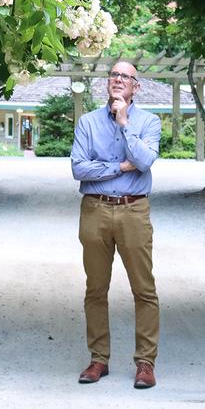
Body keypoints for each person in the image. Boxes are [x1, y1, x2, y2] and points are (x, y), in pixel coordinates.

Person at [70, 61, 163, 389]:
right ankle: (98, 359)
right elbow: (79, 169)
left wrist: (124, 124)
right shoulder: (88, 122)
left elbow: (145, 161)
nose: (118, 80)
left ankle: (145, 363)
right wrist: (120, 166)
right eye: (114, 75)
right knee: (95, 289)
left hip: (133, 211)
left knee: (144, 288)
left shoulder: (149, 122)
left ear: (136, 87)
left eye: (125, 76)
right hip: (95, 210)